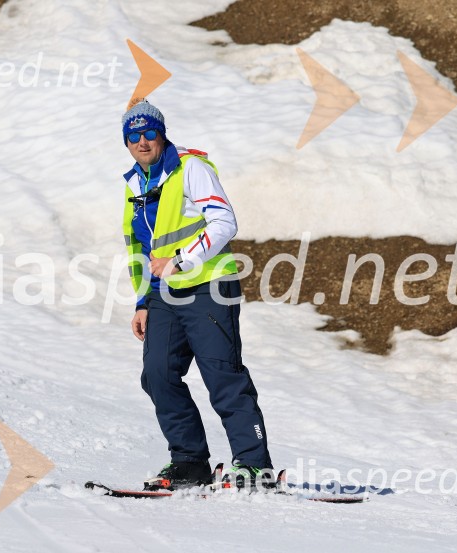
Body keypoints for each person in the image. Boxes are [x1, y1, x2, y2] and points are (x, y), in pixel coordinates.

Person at [120, 98, 274, 491]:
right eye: (133, 135)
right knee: (157, 374)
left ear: (162, 134)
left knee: (222, 374)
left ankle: (255, 465)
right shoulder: (135, 184)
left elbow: (225, 221)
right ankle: (189, 461)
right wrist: (142, 301)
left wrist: (182, 259)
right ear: (125, 142)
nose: (142, 141)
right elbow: (139, 251)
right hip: (164, 297)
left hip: (208, 288)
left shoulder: (191, 169)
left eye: (149, 133)